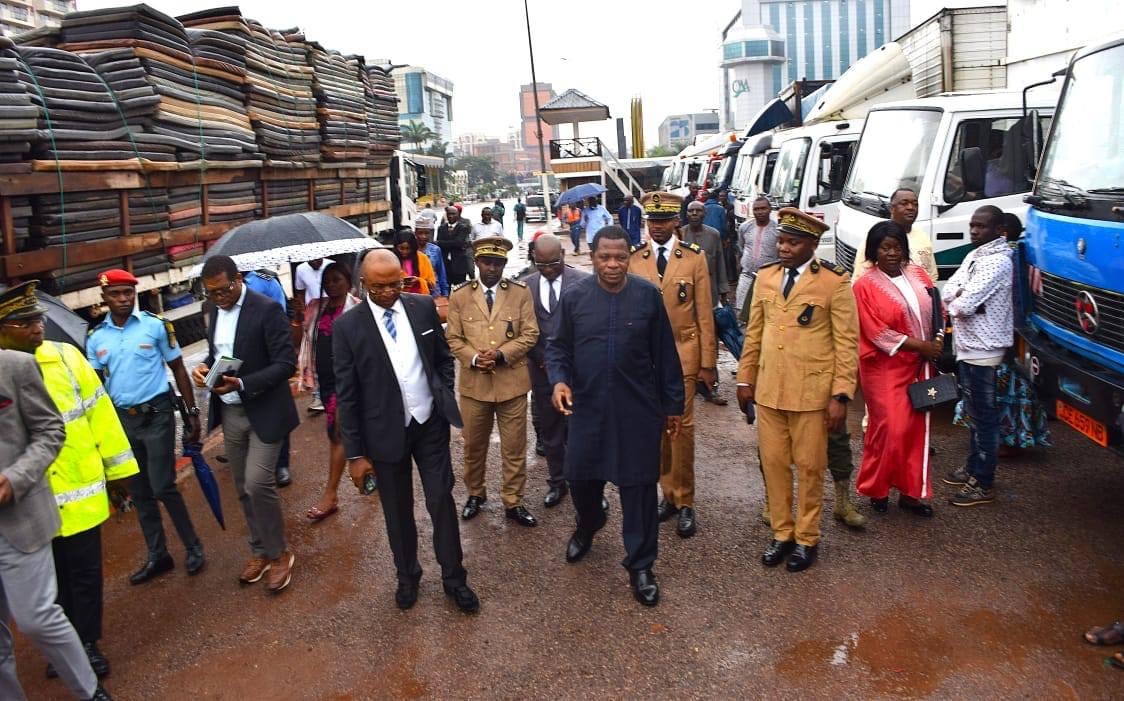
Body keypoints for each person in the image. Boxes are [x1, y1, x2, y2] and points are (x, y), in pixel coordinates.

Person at [0, 281, 135, 686]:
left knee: (84, 573)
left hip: (80, 493)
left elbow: (101, 415)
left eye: (37, 318)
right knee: (50, 584)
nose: (37, 327)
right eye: (25, 322)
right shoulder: (9, 371)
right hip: (31, 505)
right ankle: (66, 646)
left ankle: (89, 642)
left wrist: (120, 475)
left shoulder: (67, 358)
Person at [333, 249, 479, 613]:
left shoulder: (422, 307)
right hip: (384, 434)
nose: (389, 292)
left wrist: (441, 395)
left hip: (429, 424)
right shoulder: (347, 327)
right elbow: (347, 396)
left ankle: (454, 579)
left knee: (440, 502)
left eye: (395, 283)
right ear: (363, 284)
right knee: (397, 512)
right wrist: (354, 454)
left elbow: (442, 359)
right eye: (379, 286)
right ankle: (407, 576)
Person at [547, 225, 684, 607]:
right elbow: (556, 348)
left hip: (637, 410)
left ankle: (640, 564)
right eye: (604, 257)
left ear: (630, 257)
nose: (612, 264)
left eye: (620, 257)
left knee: (639, 489)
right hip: (587, 409)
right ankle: (589, 524)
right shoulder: (574, 298)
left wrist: (673, 405)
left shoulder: (647, 297)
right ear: (591, 258)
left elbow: (665, 356)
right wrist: (558, 381)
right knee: (581, 479)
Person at [736, 208, 859, 572]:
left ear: (813, 244)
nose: (784, 248)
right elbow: (755, 332)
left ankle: (807, 538)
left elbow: (846, 344)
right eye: (782, 241)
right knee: (773, 465)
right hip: (771, 390)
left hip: (812, 394)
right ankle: (781, 533)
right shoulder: (767, 277)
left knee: (809, 468)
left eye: (793, 242)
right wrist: (745, 379)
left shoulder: (834, 282)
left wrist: (840, 396)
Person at [86, 269, 205, 585]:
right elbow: (96, 385)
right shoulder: (96, 337)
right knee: (139, 491)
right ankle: (159, 555)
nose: (123, 299)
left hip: (157, 415)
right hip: (122, 422)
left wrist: (192, 413)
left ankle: (193, 546)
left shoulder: (155, 326)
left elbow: (178, 367)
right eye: (116, 294)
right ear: (104, 298)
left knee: (163, 485)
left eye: (128, 293)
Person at [191, 255, 299, 593]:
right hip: (231, 413)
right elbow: (219, 354)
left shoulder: (266, 309)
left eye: (224, 290)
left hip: (266, 409)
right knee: (241, 487)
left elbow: (286, 364)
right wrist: (204, 369)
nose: (219, 298)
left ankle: (280, 554)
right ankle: (260, 550)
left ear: (238, 279)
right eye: (212, 293)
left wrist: (242, 384)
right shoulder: (212, 313)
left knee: (257, 484)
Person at [629, 191, 717, 538]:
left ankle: (685, 501)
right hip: (646, 362)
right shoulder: (636, 259)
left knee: (681, 433)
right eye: (652, 221)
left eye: (664, 221)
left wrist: (708, 363)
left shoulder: (693, 258)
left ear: (675, 221)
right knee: (658, 433)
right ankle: (667, 495)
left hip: (684, 357)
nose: (658, 227)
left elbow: (704, 314)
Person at [446, 236, 541, 527]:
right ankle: (476, 493)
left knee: (514, 447)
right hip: (475, 386)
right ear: (477, 263)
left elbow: (530, 334)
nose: (492, 268)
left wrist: (501, 354)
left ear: (504, 264)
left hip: (511, 384)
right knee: (473, 446)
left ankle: (513, 501)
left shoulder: (519, 293)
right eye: (487, 262)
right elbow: (453, 337)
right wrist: (474, 358)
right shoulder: (460, 295)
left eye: (498, 263)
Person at [852, 222, 943, 517]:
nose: (892, 253)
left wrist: (938, 340)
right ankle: (877, 487)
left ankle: (912, 493)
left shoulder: (918, 274)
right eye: (885, 247)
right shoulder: (864, 286)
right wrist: (920, 346)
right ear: (874, 251)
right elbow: (875, 331)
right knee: (889, 427)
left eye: (897, 247)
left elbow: (936, 309)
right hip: (885, 367)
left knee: (917, 430)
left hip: (921, 364)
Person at [941, 205, 1013, 507]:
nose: (974, 231)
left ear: (999, 230)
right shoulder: (975, 255)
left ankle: (983, 482)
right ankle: (973, 467)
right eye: (972, 225)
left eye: (981, 226)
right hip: (968, 346)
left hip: (986, 350)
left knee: (984, 418)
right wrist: (958, 296)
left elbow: (961, 305)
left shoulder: (998, 262)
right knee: (973, 413)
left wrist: (959, 297)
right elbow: (949, 291)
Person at [524, 234, 591, 508]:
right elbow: (522, 329)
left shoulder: (584, 282)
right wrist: (544, 361)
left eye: (553, 263)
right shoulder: (525, 286)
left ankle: (586, 486)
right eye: (542, 265)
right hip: (541, 373)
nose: (548, 270)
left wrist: (565, 364)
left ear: (563, 256)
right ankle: (557, 482)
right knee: (550, 432)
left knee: (581, 431)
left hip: (577, 374)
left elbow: (589, 329)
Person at [305, 262, 363, 523]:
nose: (331, 285)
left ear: (348, 282)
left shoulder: (359, 308)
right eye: (327, 281)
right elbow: (307, 342)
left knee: (338, 432)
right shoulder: (316, 308)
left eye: (337, 280)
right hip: (326, 381)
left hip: (350, 381)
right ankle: (369, 471)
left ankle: (330, 495)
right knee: (343, 432)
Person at [242, 269, 293, 488]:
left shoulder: (266, 280)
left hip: (268, 351)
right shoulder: (222, 292)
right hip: (241, 359)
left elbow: (280, 311)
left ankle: (282, 464)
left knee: (275, 410)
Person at [681, 199, 730, 407]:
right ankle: (687, 386)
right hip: (683, 298)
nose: (694, 214)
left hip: (708, 296)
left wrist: (723, 291)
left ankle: (711, 388)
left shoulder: (714, 235)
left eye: (698, 211)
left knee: (709, 340)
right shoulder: (679, 234)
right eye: (690, 211)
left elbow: (719, 264)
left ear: (704, 214)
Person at [852, 188, 938, 283]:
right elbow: (859, 279)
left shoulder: (923, 237)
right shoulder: (876, 238)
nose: (911, 207)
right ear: (892, 209)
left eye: (915, 204)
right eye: (904, 203)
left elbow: (932, 276)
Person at [294, 257, 333, 413]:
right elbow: (301, 293)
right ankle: (318, 395)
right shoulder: (301, 269)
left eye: (318, 259)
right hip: (313, 316)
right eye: (311, 260)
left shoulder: (331, 266)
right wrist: (301, 312)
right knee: (315, 356)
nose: (315, 262)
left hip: (332, 311)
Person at [736, 197, 778, 315]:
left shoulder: (778, 230)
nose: (760, 212)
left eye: (763, 208)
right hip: (747, 275)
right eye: (756, 209)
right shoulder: (745, 227)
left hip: (770, 278)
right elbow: (741, 247)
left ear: (770, 209)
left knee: (768, 312)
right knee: (742, 311)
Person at [393, 229, 438, 296]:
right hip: (399, 298)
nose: (405, 252)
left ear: (413, 247)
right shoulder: (391, 259)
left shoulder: (423, 258)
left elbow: (432, 284)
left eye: (408, 248)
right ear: (396, 247)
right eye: (401, 248)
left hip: (420, 299)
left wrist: (418, 281)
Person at [437, 205, 473, 285]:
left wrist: (442, 243)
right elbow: (439, 245)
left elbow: (458, 243)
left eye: (453, 214)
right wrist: (450, 243)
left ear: (458, 215)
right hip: (445, 265)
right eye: (449, 214)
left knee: (460, 290)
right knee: (446, 289)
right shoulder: (441, 228)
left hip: (459, 265)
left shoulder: (463, 227)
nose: (451, 216)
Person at [415, 216, 450, 296]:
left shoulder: (435, 250)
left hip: (434, 291)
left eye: (426, 233)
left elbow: (441, 273)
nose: (423, 236)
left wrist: (445, 294)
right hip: (416, 292)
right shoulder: (411, 250)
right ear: (415, 233)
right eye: (420, 233)